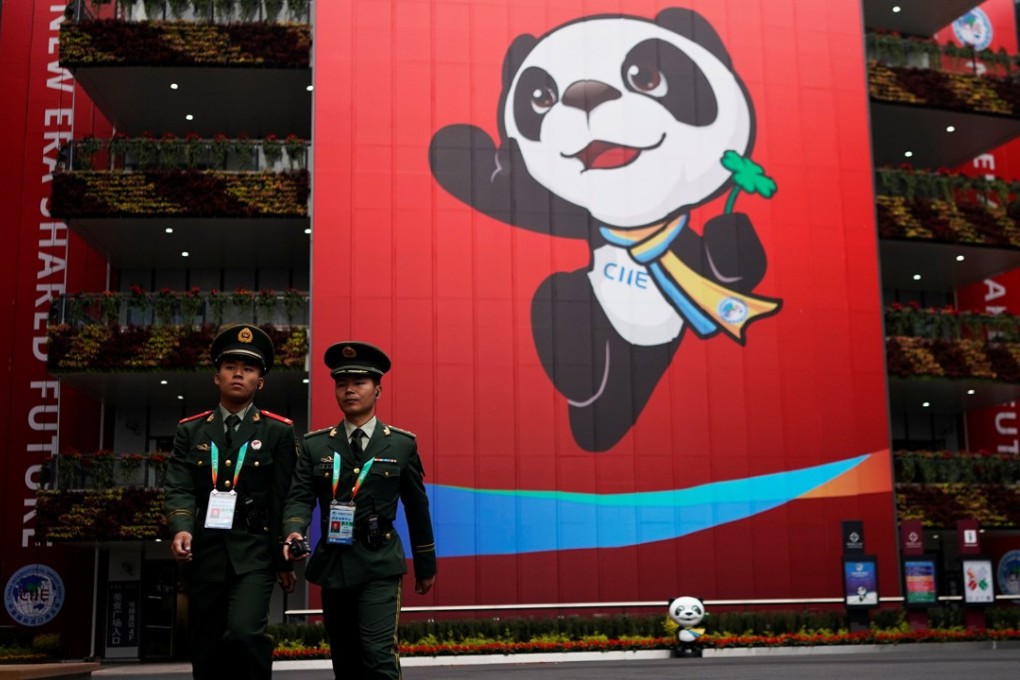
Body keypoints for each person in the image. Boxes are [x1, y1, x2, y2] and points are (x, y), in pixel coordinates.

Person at [283, 341, 436, 680]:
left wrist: (426, 564)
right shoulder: (315, 445)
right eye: (342, 383)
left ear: (378, 389)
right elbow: (299, 497)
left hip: (380, 561)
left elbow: (417, 508)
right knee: (346, 658)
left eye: (359, 382)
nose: (349, 390)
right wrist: (294, 530)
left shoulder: (400, 444)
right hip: (335, 564)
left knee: (378, 656)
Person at [164, 324, 299, 680]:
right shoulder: (189, 431)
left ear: (260, 382)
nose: (238, 373)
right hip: (204, 552)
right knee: (205, 649)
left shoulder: (277, 432)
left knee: (243, 633)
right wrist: (180, 527)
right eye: (230, 366)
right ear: (216, 376)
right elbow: (178, 485)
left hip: (253, 553)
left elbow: (283, 496)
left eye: (249, 368)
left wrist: (283, 555)